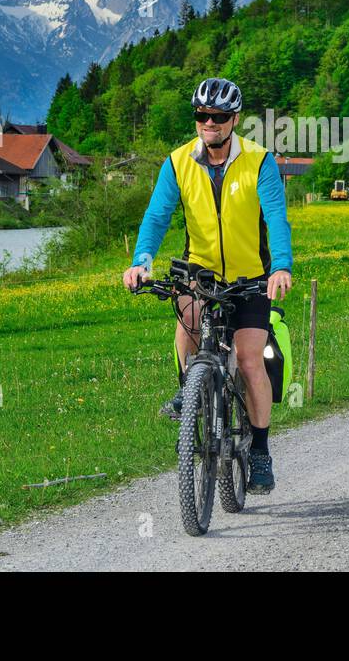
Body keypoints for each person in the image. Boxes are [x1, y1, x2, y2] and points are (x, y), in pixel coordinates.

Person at [122, 78, 293, 494]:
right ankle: (191, 388)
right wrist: (141, 261)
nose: (209, 123)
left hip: (250, 276)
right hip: (200, 270)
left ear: (234, 120)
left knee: (251, 359)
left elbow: (275, 217)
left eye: (217, 117)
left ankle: (260, 452)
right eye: (202, 115)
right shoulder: (178, 162)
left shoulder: (259, 161)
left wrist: (281, 267)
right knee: (187, 316)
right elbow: (157, 217)